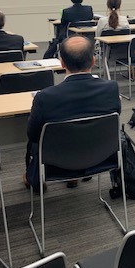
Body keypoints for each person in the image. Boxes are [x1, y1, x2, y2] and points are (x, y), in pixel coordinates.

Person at [24, 36, 120, 189]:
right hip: (100, 157)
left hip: (57, 161)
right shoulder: (111, 88)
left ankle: (36, 178)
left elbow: (33, 135)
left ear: (62, 63)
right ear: (93, 60)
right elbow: (114, 124)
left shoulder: (45, 97)